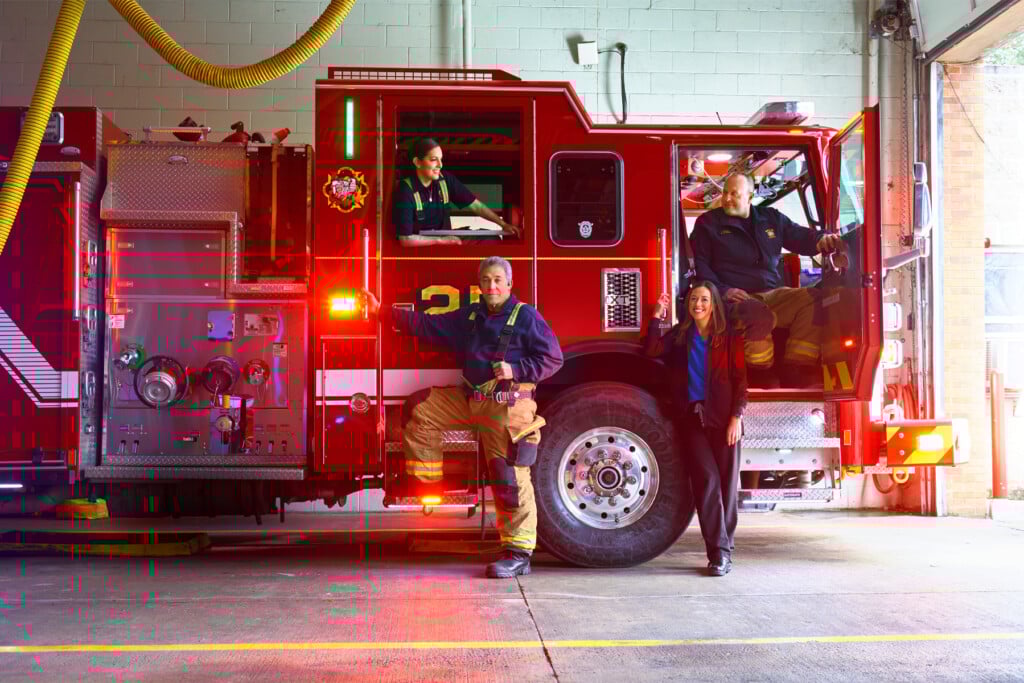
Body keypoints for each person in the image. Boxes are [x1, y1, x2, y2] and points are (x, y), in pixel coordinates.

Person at [361, 256, 563, 578]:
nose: (492, 286)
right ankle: (430, 488)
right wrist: (380, 311)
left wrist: (517, 369)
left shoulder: (526, 317)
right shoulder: (472, 315)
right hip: (470, 399)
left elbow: (553, 358)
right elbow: (427, 325)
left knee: (508, 477)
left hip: (507, 406)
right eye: (486, 280)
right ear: (479, 285)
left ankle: (518, 553)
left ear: (509, 284)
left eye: (498, 280)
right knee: (420, 408)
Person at [690, 173, 843, 387]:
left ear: (750, 196)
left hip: (771, 295)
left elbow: (799, 236)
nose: (726, 199)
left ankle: (797, 370)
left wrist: (822, 239)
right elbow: (701, 268)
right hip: (731, 301)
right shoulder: (708, 224)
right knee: (758, 314)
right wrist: (723, 291)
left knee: (814, 299)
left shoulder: (771, 218)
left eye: (734, 194)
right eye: (725, 192)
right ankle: (759, 375)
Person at [644, 282, 747, 576]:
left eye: (703, 299)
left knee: (727, 488)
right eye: (693, 300)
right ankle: (717, 553)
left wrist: (736, 418)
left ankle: (725, 551)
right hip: (693, 420)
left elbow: (741, 381)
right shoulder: (680, 336)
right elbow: (652, 350)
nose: (698, 304)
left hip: (726, 420)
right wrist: (657, 316)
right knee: (707, 482)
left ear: (713, 304)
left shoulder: (729, 338)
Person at [393, 138, 521, 247]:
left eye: (441, 159)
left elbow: (475, 206)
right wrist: (441, 241)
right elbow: (405, 240)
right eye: (433, 160)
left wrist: (503, 224)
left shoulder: (445, 180)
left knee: (491, 240)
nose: (440, 165)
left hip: (445, 240)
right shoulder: (405, 191)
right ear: (417, 162)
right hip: (423, 248)